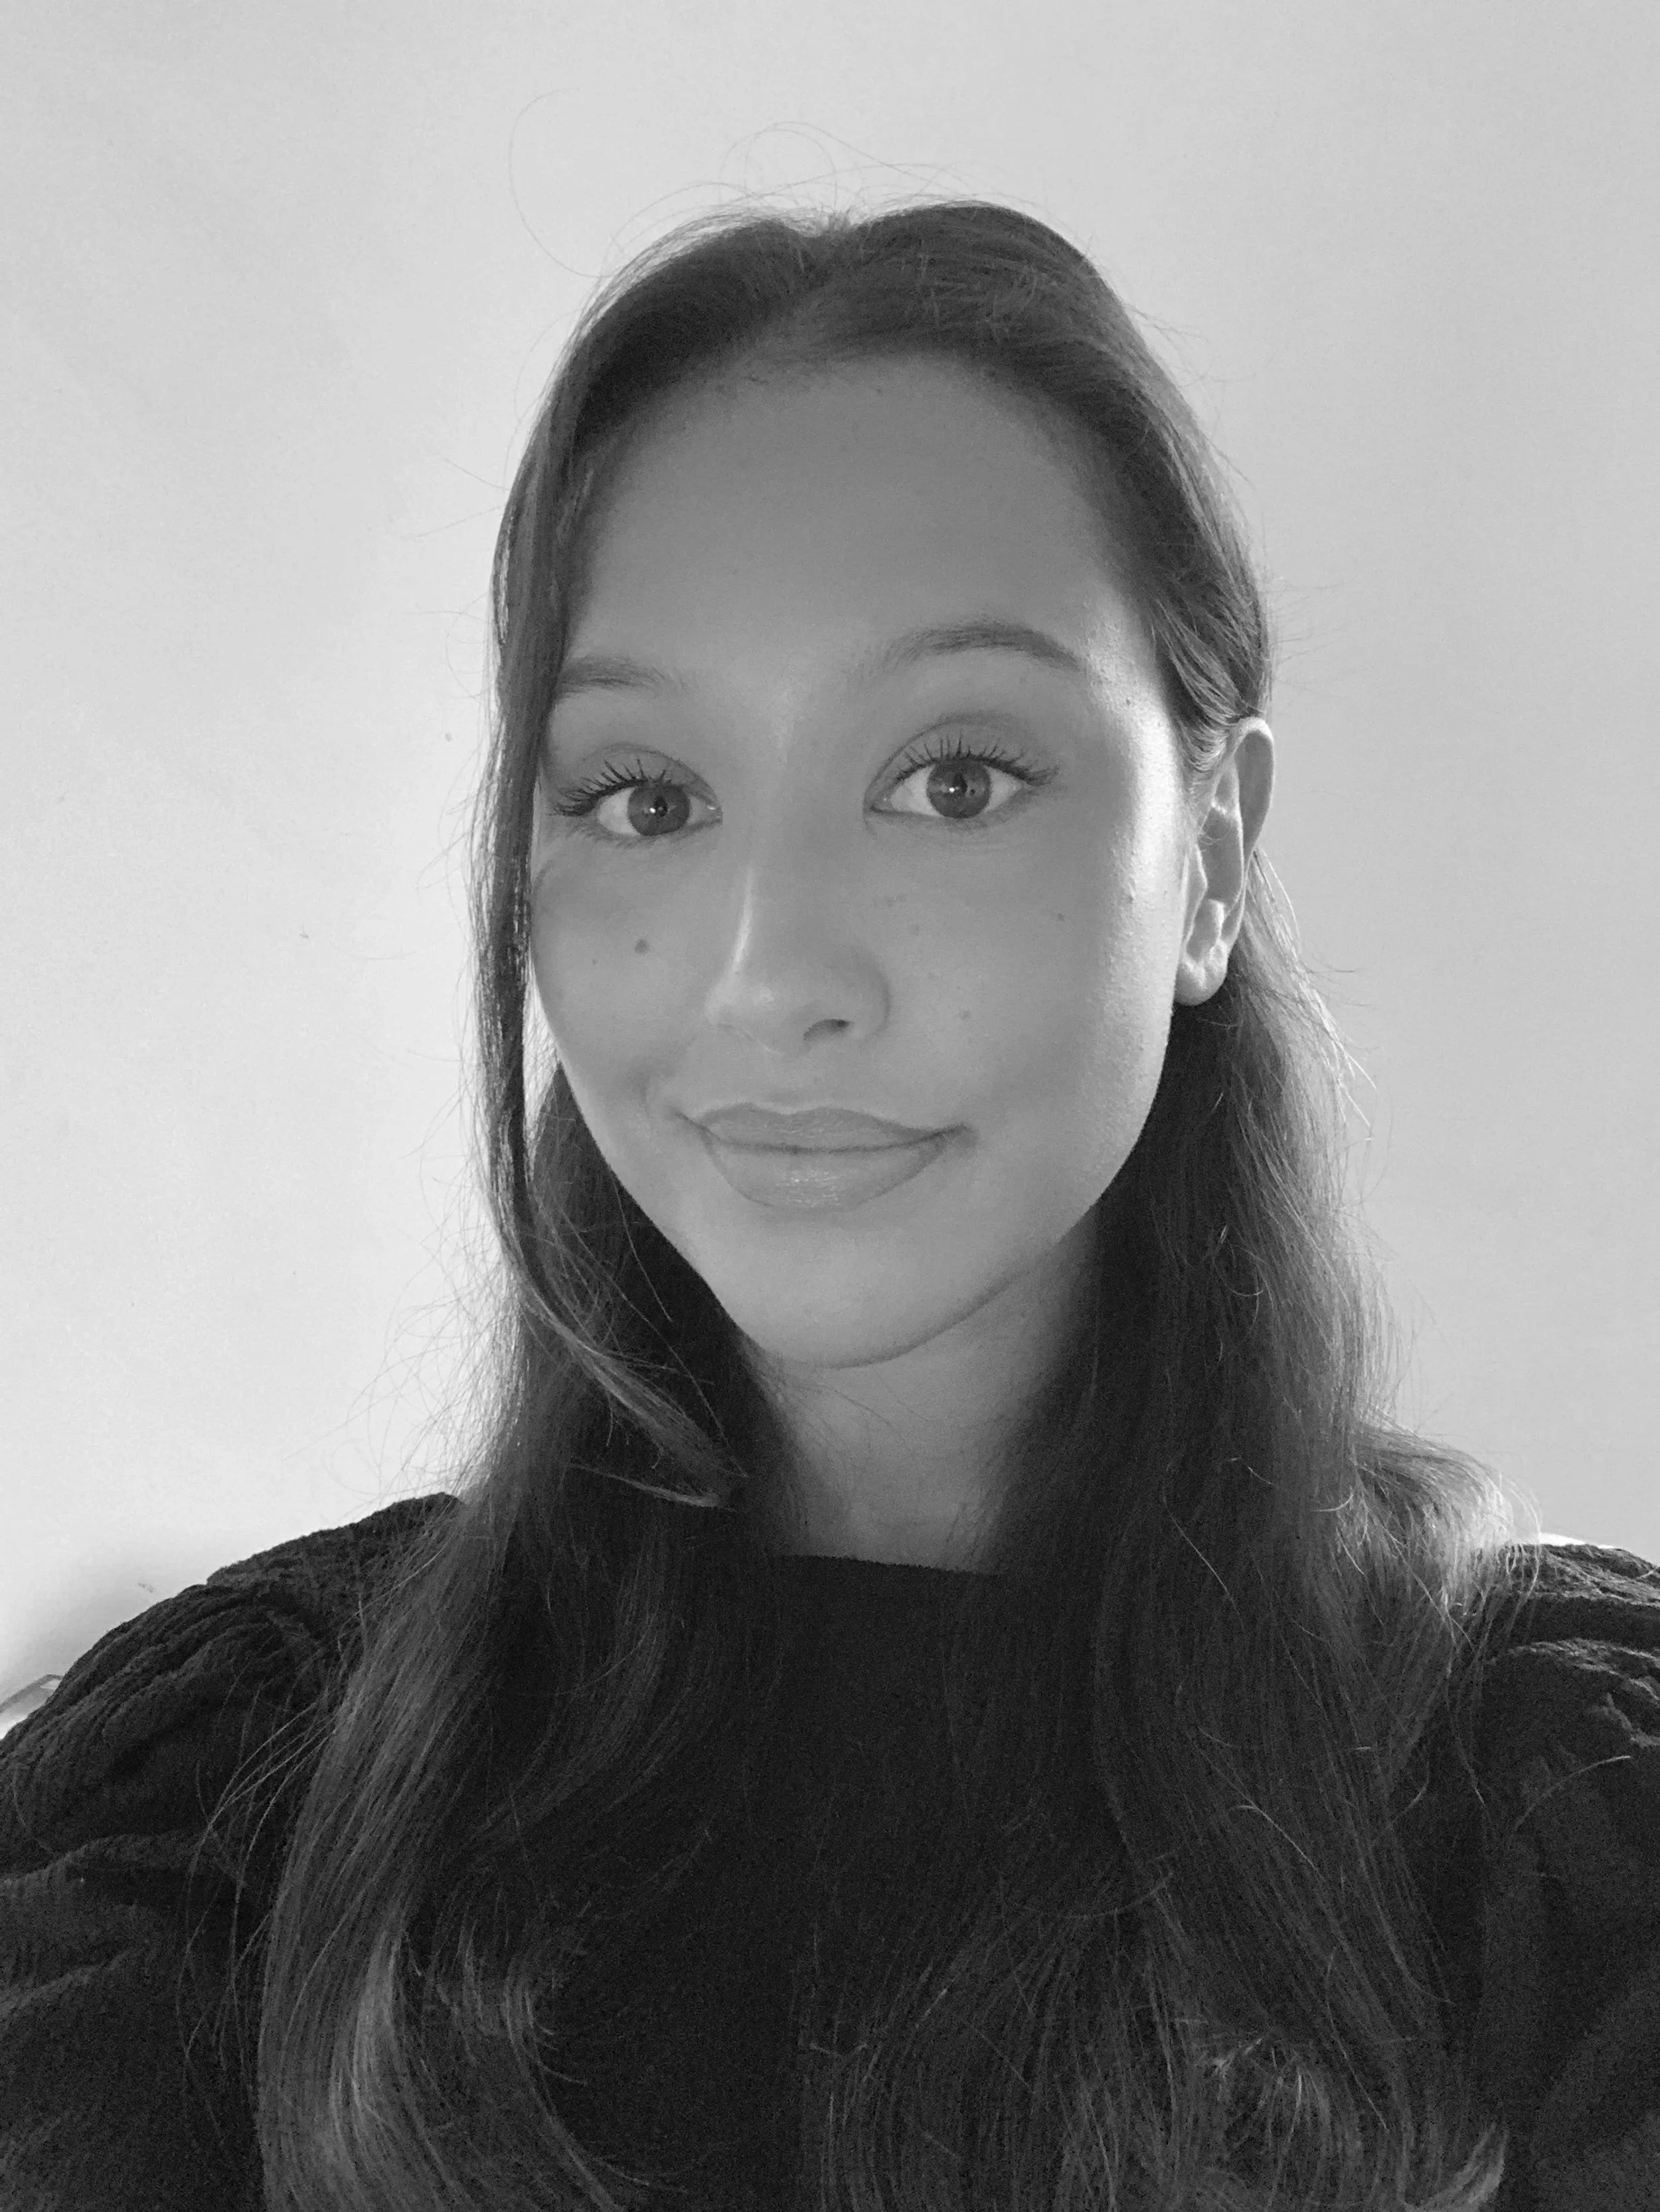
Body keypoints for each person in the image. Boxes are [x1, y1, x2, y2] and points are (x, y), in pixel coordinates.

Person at [3, 197, 1657, 2212]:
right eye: (645, 796)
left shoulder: (1561, 1838)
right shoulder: (216, 1818)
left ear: (1212, 858)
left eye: (952, 775)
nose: (767, 973)